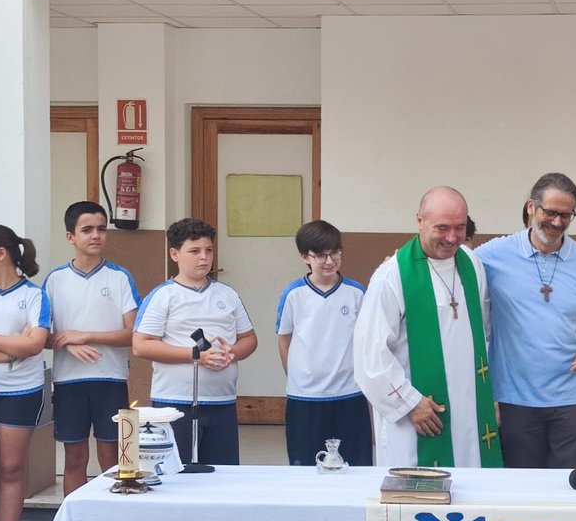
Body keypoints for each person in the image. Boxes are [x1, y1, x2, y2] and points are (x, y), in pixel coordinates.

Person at [475, 173, 576, 468]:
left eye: (566, 215)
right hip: (515, 399)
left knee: (572, 484)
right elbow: (451, 263)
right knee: (523, 486)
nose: (557, 222)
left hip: (572, 399)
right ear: (531, 207)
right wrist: (399, 261)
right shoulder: (493, 254)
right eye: (550, 212)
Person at [353, 186, 500, 468]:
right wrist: (408, 402)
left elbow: (482, 332)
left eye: (459, 227)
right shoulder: (392, 276)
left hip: (470, 411)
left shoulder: (471, 264)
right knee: (416, 487)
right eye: (442, 228)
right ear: (420, 221)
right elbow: (369, 355)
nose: (452, 237)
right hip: (420, 416)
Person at [132, 218, 257, 466]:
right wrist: (195, 355)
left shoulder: (228, 294)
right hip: (175, 401)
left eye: (208, 250)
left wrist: (232, 353)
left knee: (223, 475)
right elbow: (141, 345)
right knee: (177, 474)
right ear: (175, 254)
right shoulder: (163, 296)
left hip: (222, 400)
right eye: (195, 251)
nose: (204, 257)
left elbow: (249, 339)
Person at [43, 201, 140, 494]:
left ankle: (116, 514)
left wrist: (84, 336)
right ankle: (75, 516)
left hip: (111, 378)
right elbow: (41, 337)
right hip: (68, 381)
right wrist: (67, 342)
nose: (96, 235)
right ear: (70, 237)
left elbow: (133, 334)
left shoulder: (120, 277)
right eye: (87, 230)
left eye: (101, 229)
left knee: (115, 458)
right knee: (74, 458)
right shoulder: (55, 280)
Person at [276, 219, 372, 466]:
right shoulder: (293, 294)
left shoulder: (357, 292)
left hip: (349, 394)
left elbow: (368, 339)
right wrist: (298, 377)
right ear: (304, 257)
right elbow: (284, 339)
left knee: (356, 466)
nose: (329, 261)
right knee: (306, 467)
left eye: (335, 253)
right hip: (305, 397)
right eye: (320, 255)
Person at [0, 226, 50, 521]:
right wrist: (12, 350)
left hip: (22, 392)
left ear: (1, 253)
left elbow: (34, 345)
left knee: (11, 467)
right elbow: (23, 346)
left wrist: (4, 346)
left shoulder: (35, 296)